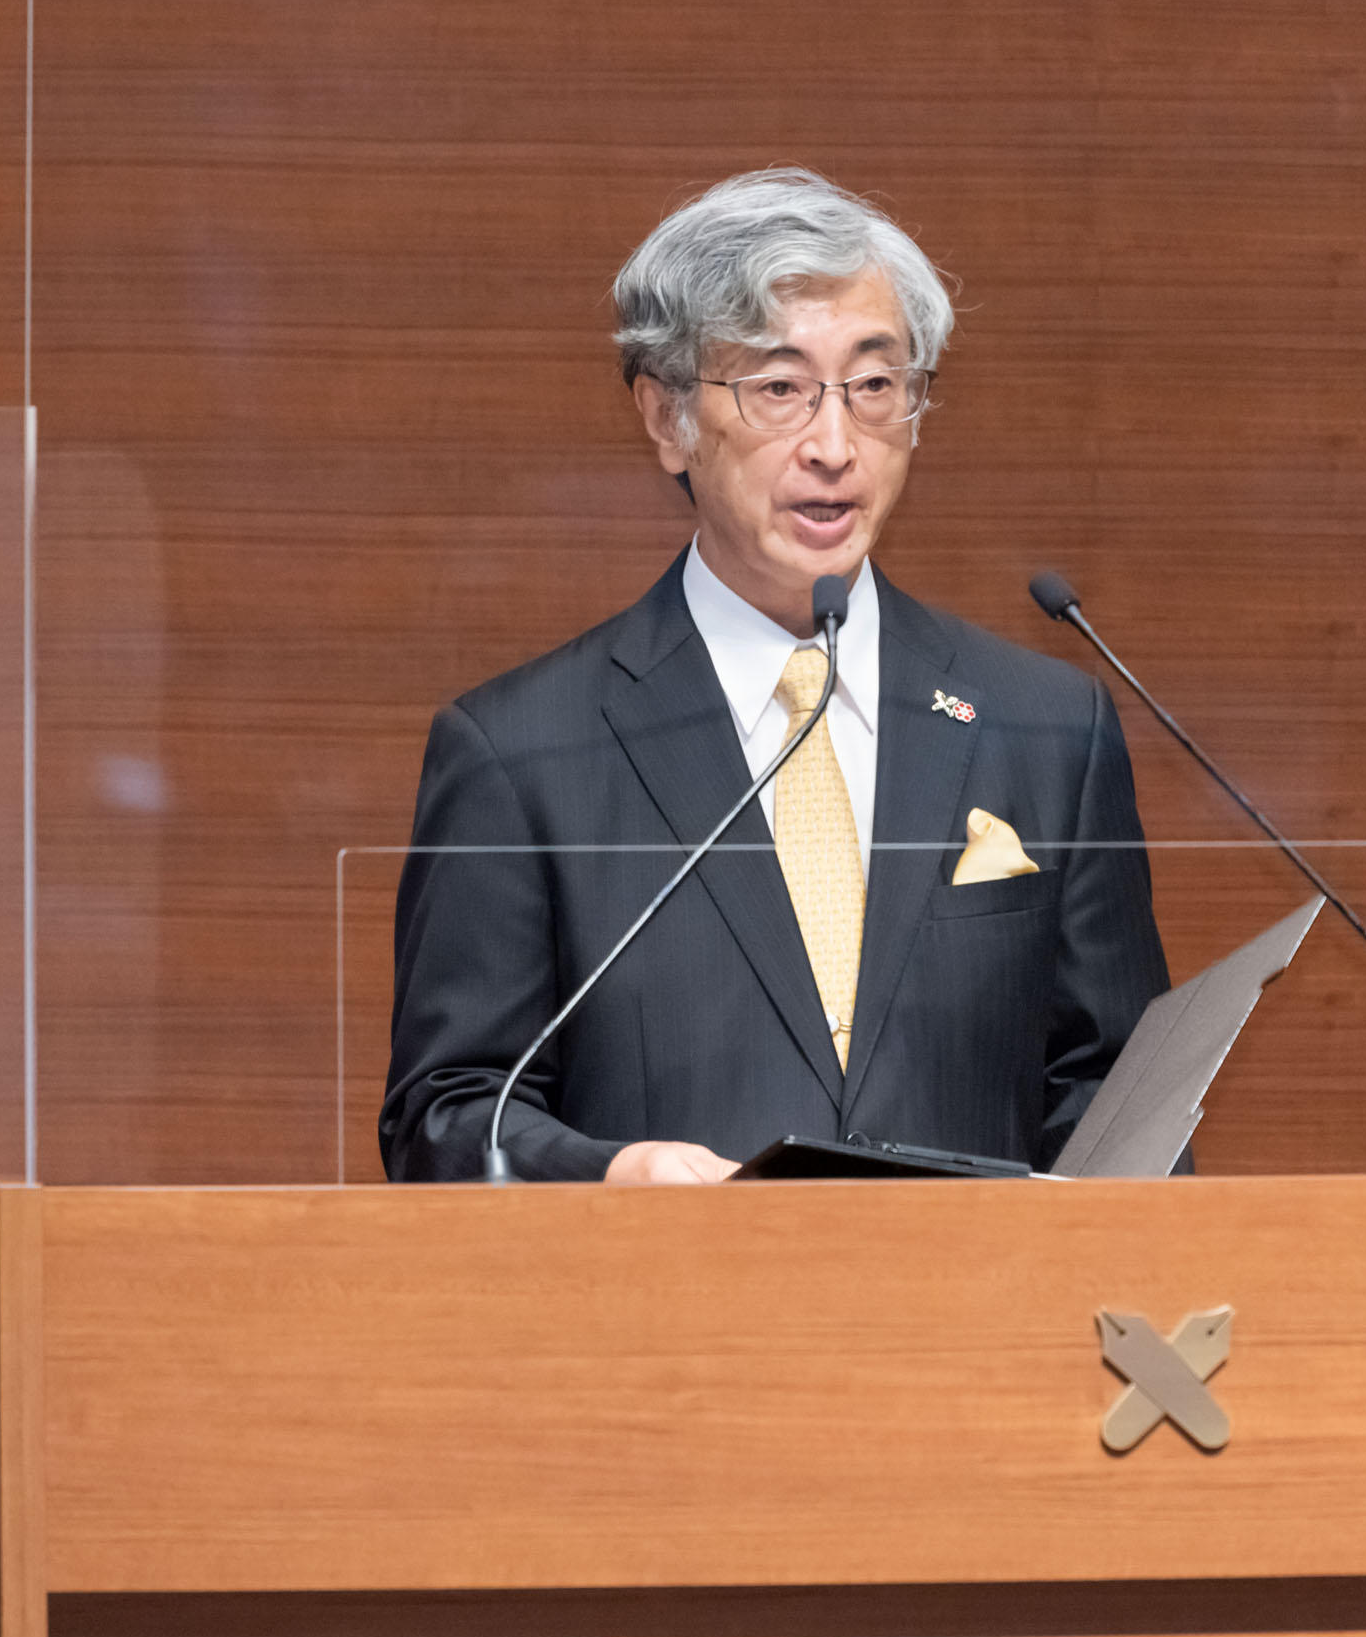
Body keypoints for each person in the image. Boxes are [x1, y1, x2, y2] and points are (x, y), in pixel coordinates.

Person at [380, 169, 1170, 1183]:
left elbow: (1118, 1096)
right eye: (778, 389)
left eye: (874, 386)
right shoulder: (522, 752)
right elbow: (447, 1116)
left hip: (972, 1287)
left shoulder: (1046, 725)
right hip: (670, 1283)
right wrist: (616, 1177)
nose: (834, 446)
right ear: (667, 418)